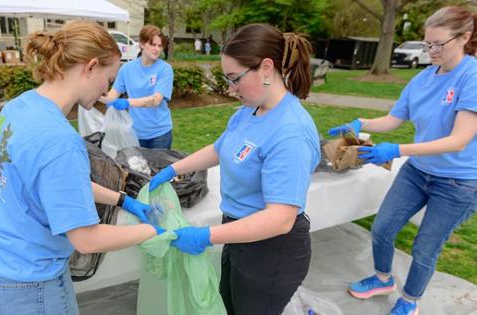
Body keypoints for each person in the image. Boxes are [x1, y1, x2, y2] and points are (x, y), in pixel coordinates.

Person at [0, 21, 163, 315]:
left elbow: (52, 185)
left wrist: (122, 199)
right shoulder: (60, 140)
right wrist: (154, 232)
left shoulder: (18, 107)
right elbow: (86, 238)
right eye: (109, 79)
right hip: (27, 288)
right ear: (90, 66)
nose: (107, 91)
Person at [149, 23, 320, 314]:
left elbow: (280, 218)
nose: (230, 89)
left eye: (234, 79)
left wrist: (206, 236)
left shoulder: (290, 131)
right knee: (228, 304)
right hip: (239, 233)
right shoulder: (250, 111)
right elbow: (219, 149)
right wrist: (172, 169)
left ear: (266, 68)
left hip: (271, 250)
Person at [328, 6, 477, 315]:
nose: (431, 51)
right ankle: (383, 279)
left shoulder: (472, 77)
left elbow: (459, 140)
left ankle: (410, 301)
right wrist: (361, 123)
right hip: (418, 172)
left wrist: (396, 151)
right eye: (427, 44)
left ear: (464, 37)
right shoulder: (422, 79)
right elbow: (394, 119)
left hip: (459, 182)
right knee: (383, 227)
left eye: (439, 44)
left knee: (425, 247)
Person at [100, 25, 174, 149]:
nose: (157, 49)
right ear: (141, 44)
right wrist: (89, 94)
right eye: (153, 45)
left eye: (159, 46)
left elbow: (156, 100)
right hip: (134, 133)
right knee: (137, 167)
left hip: (160, 134)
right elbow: (111, 96)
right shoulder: (127, 69)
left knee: (158, 168)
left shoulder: (165, 69)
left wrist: (128, 102)